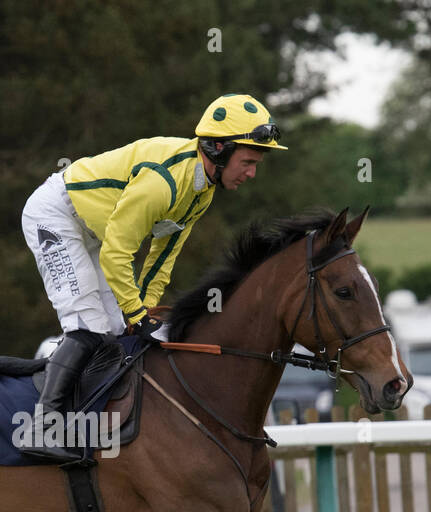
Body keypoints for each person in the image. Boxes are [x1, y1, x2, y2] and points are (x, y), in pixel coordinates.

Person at [19, 93, 286, 463]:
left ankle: (86, 421)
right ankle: (39, 426)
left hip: (96, 230)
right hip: (56, 216)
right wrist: (136, 313)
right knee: (88, 326)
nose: (252, 173)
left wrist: (142, 309)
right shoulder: (163, 182)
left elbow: (163, 255)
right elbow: (118, 254)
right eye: (248, 161)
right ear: (220, 149)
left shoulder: (202, 191)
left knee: (115, 328)